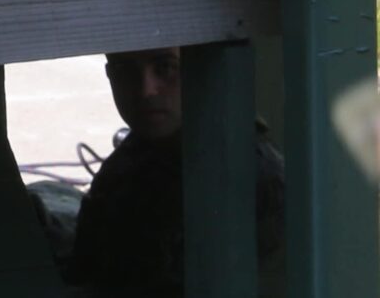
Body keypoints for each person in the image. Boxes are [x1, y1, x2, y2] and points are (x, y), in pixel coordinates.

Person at [65, 47, 283, 294]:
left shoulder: (252, 177)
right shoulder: (131, 158)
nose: (146, 90)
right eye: (124, 70)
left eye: (165, 67)